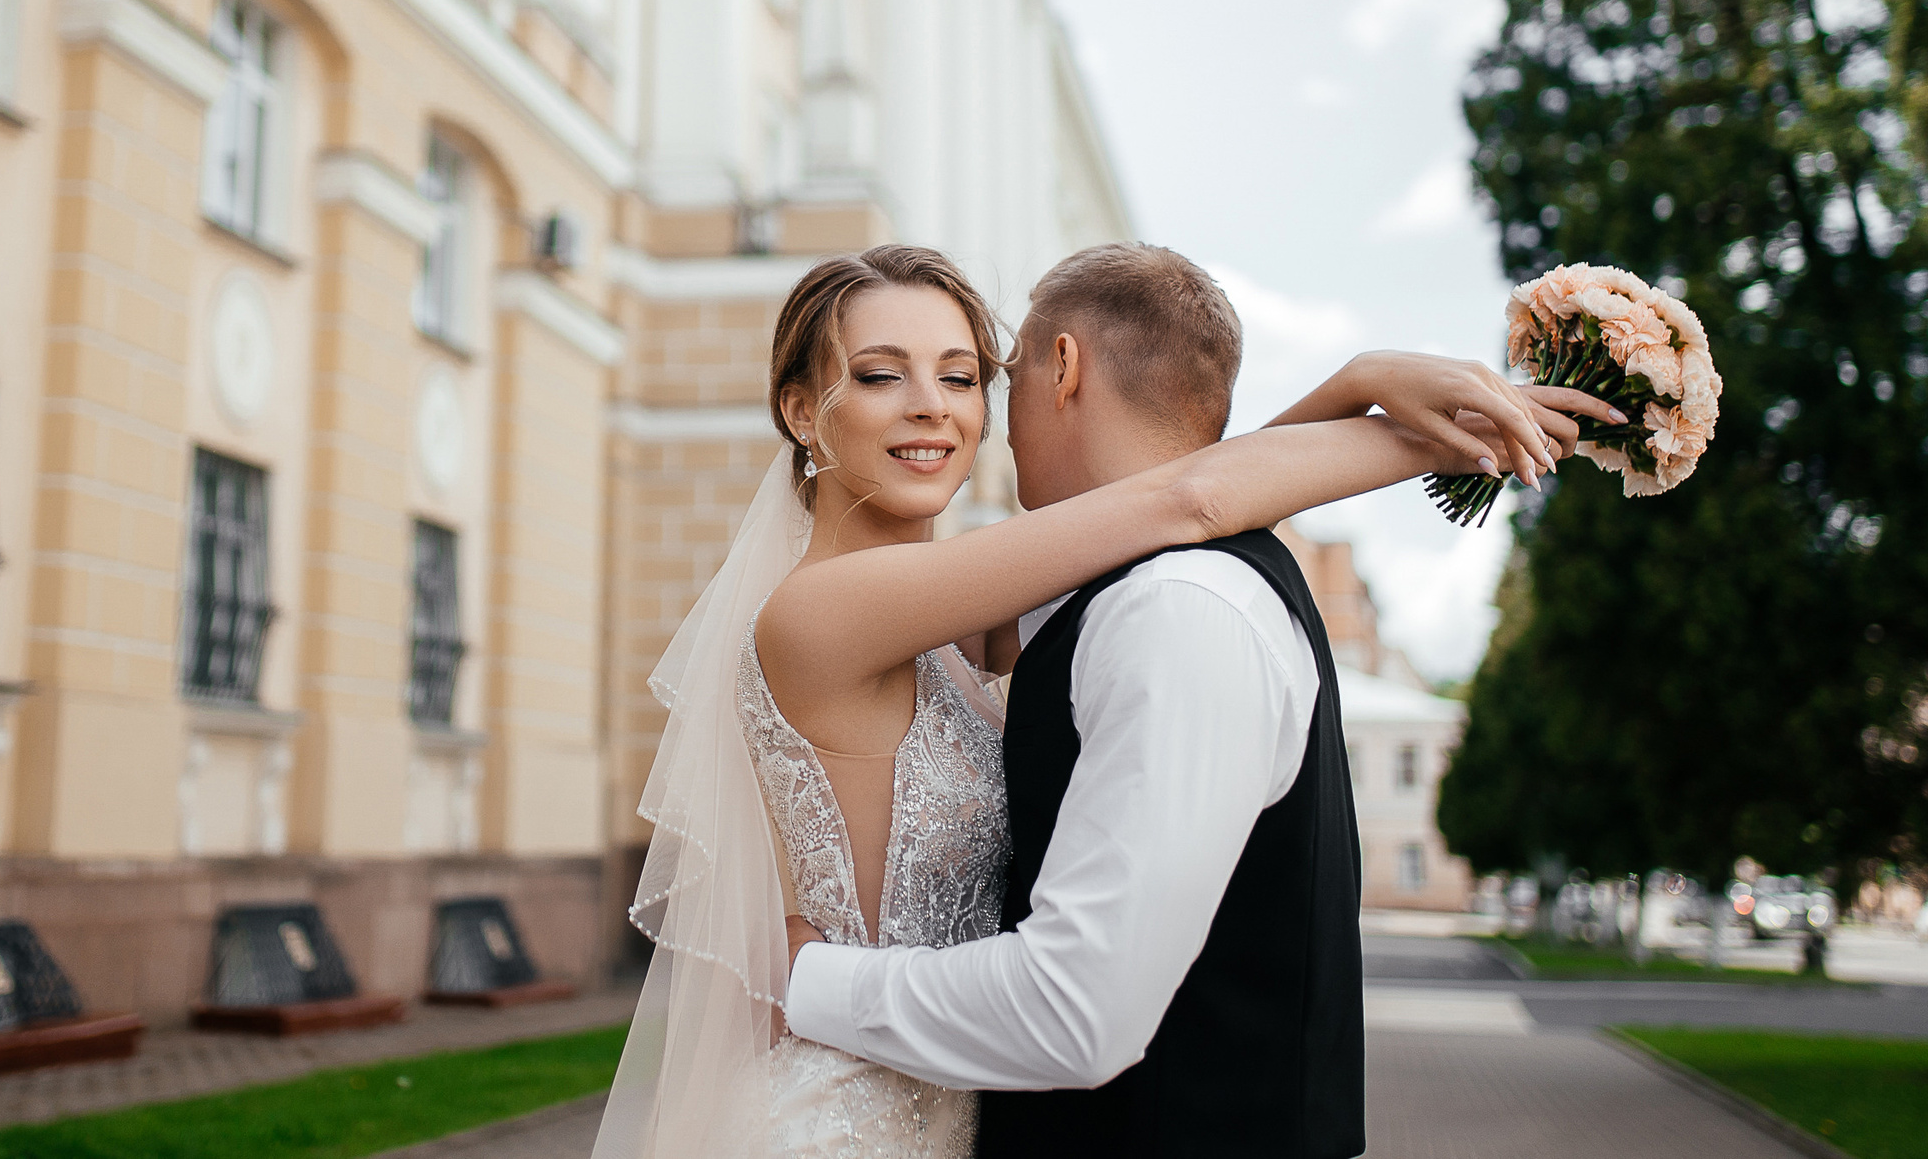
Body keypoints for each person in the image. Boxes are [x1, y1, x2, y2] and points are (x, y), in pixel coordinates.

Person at [591, 244, 1609, 1159]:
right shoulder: (821, 614)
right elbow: (1183, 500)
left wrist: (1347, 387)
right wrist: (1436, 435)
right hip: (840, 1116)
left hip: (949, 1100)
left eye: (961, 376)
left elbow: (1161, 519)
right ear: (800, 409)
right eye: (876, 375)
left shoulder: (960, 619)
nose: (931, 407)